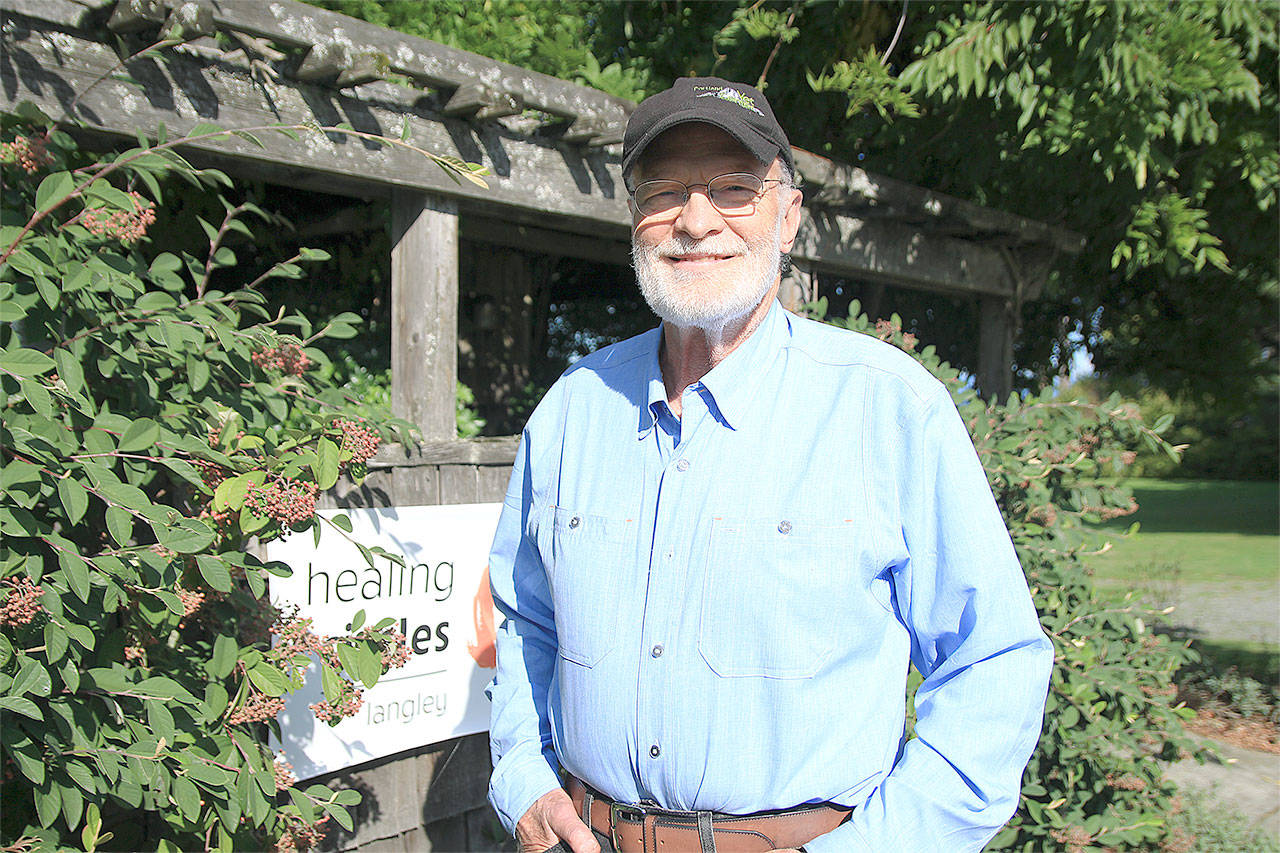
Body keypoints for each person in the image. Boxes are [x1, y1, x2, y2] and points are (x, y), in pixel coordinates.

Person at [486, 76, 1053, 853]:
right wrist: (523, 777)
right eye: (666, 190)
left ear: (788, 216)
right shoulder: (570, 412)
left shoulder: (889, 411)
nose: (695, 219)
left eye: (733, 188)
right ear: (633, 216)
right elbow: (524, 621)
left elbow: (995, 662)